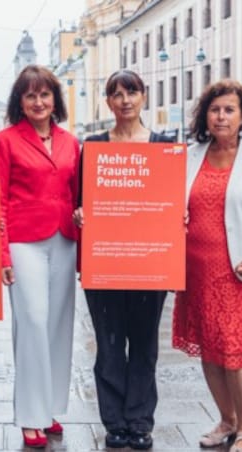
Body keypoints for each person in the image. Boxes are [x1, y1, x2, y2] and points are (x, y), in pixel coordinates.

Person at [171, 79, 242, 452]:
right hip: (198, 268)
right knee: (210, 348)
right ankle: (226, 419)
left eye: (229, 109)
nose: (220, 116)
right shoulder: (190, 153)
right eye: (214, 110)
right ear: (205, 115)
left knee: (238, 351)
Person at [72, 70, 170, 450]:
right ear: (108, 102)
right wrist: (80, 213)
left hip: (150, 264)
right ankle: (114, 422)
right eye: (116, 94)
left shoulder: (163, 146)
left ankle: (140, 421)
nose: (125, 100)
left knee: (145, 345)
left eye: (132, 92)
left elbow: (174, 200)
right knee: (110, 345)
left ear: (144, 96)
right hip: (106, 262)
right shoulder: (94, 147)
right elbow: (80, 200)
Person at [0, 64, 80, 449]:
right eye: (31, 95)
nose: (39, 102)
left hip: (64, 238)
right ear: (20, 102)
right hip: (24, 240)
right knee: (33, 323)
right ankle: (29, 414)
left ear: (55, 100)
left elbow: (77, 194)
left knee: (59, 325)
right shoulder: (4, 140)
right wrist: (3, 255)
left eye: (45, 94)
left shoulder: (70, 141)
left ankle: (51, 408)